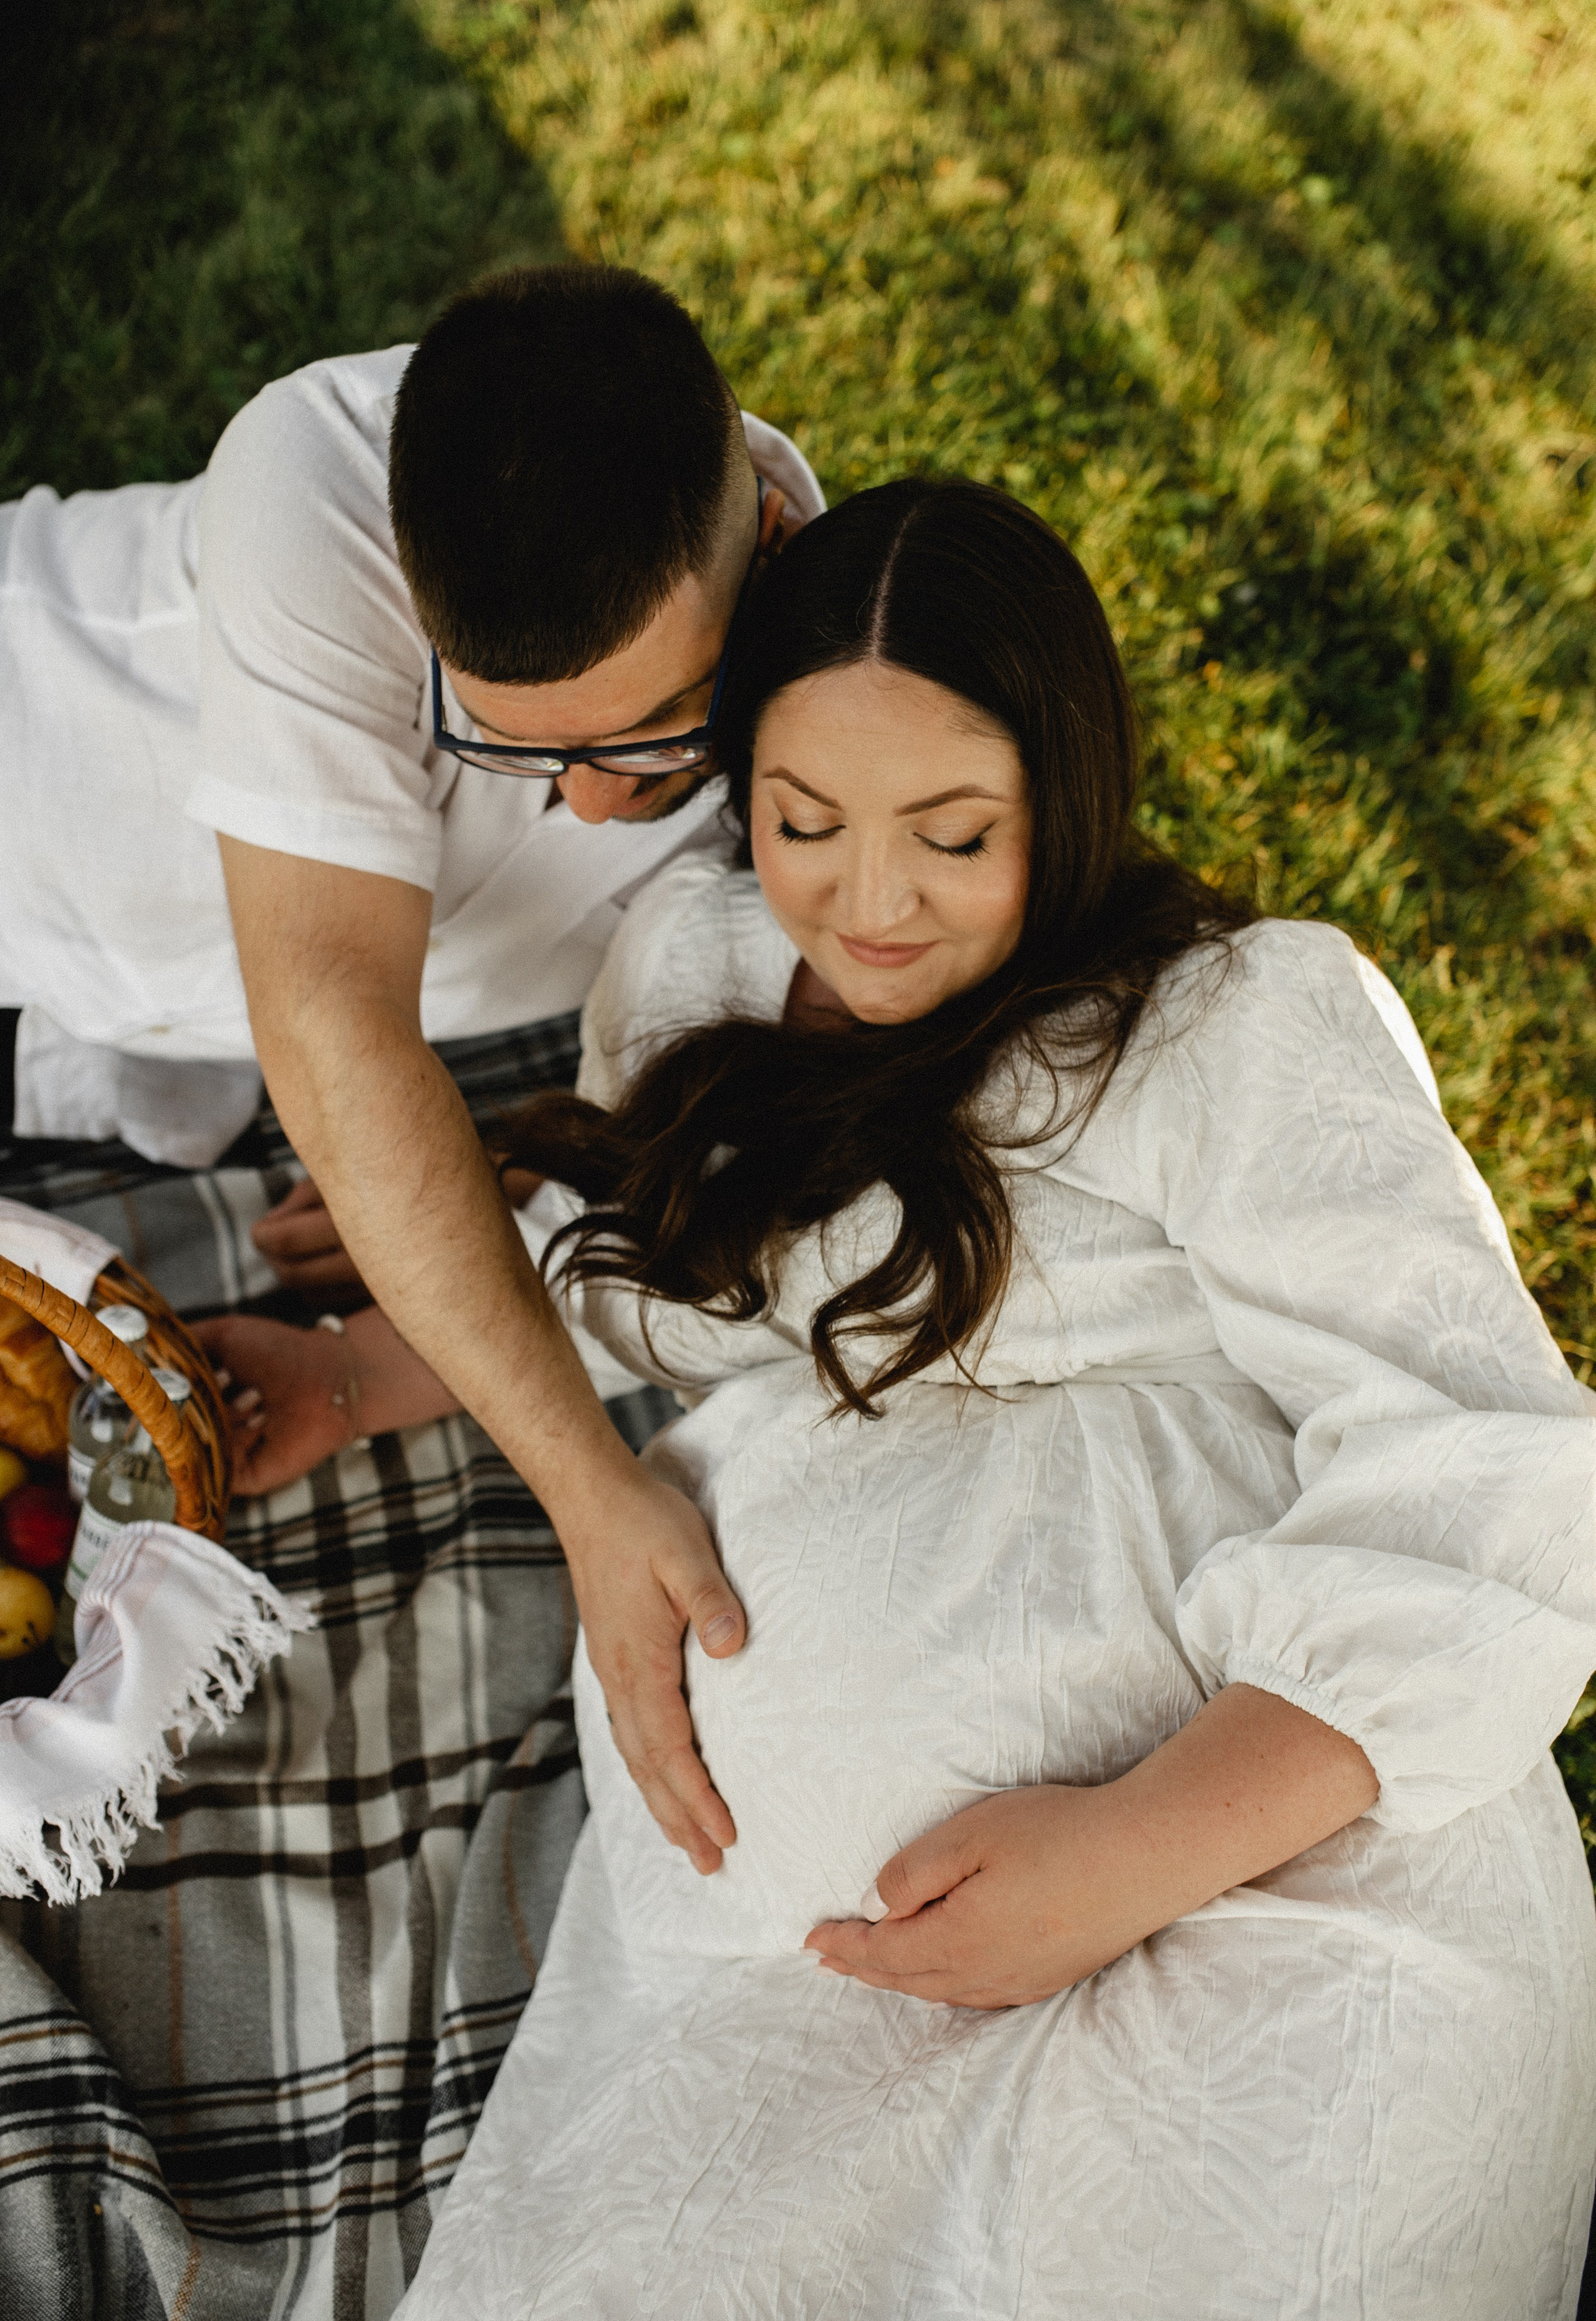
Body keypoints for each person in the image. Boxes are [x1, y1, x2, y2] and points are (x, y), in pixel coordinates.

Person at [226, 478, 1596, 2314]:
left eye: (955, 837)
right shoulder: (698, 973)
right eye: (803, 822)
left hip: (1271, 1873)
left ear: (1068, 793)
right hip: (800, 1979)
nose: (868, 905)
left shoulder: (1235, 1022)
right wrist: (351, 1371)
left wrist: (1125, 1854)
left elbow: (1487, 1462)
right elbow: (636, 1278)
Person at [1, 263, 824, 1864]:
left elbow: (782, 1076)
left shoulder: (836, 679)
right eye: (515, 743)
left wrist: (475, 1212)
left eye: (650, 733)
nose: (588, 803)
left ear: (776, 545)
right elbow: (333, 1018)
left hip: (113, 1031)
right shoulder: (309, 474)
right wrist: (590, 1489)